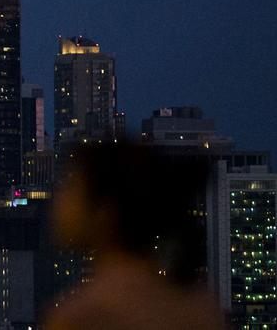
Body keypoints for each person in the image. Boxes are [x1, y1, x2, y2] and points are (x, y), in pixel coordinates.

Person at [45, 141, 226, 330]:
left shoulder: (82, 318)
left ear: (105, 212)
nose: (60, 200)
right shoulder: (200, 309)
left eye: (70, 186)